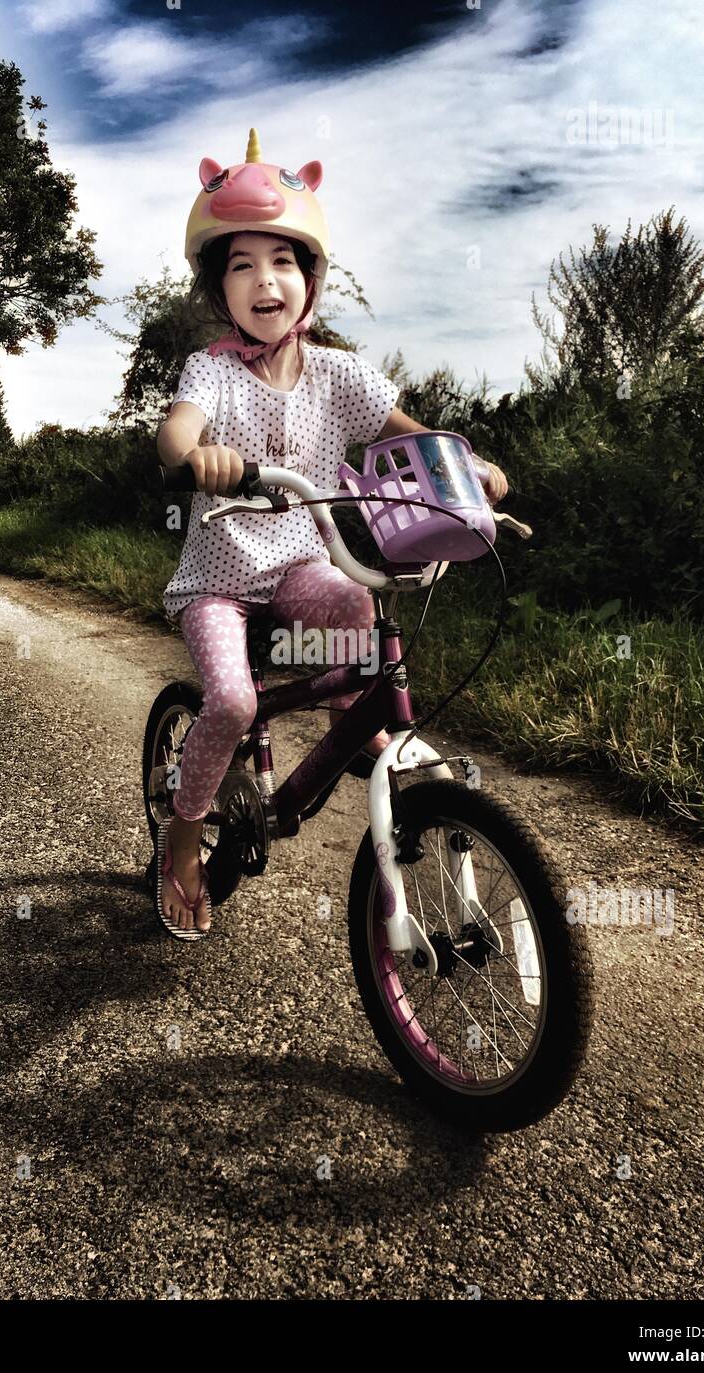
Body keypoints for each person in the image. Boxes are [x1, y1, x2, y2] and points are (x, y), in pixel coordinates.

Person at [155, 127, 508, 939]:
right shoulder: (210, 369)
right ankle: (181, 833)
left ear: (308, 279)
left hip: (297, 563)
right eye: (240, 264)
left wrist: (472, 467)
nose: (263, 279)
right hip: (217, 579)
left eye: (281, 261)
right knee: (236, 701)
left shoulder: (338, 373)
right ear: (220, 287)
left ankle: (355, 726)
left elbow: (411, 437)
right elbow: (176, 432)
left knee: (353, 600)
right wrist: (195, 457)